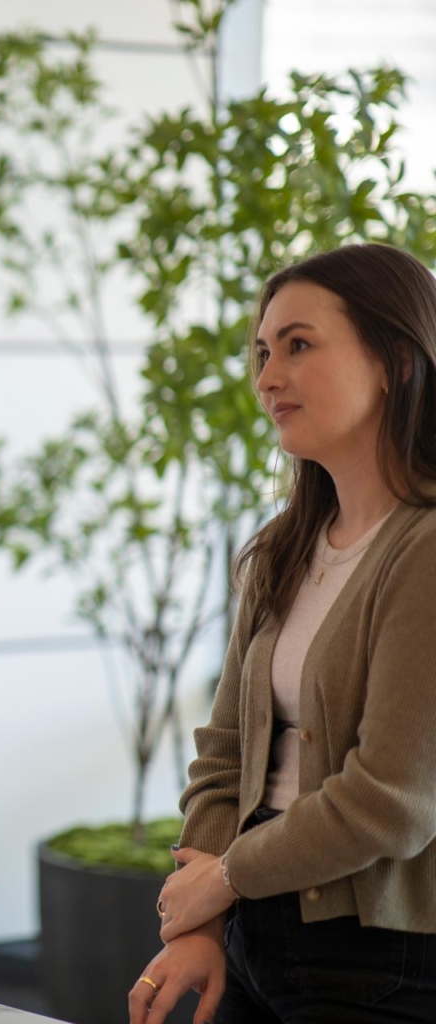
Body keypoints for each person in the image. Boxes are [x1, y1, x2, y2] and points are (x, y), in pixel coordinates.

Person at [128, 243, 436, 1024]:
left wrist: (226, 877)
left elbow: (392, 802)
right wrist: (199, 924)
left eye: (298, 346)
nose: (267, 379)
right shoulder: (282, 547)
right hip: (253, 937)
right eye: (264, 352)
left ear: (397, 360)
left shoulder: (426, 548)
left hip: (379, 957)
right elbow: (226, 753)